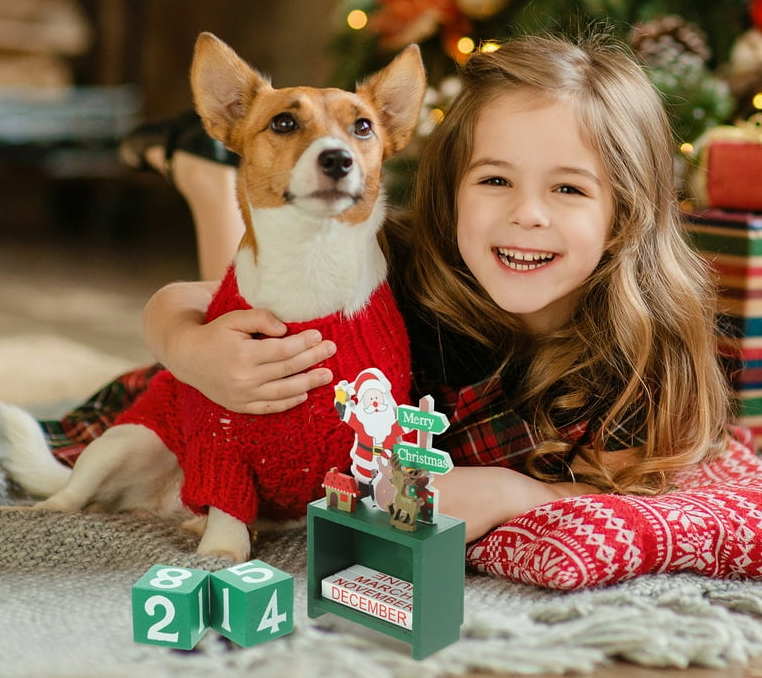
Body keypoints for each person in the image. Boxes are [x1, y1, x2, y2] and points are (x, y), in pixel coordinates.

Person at [40, 29, 731, 544]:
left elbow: (640, 502)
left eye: (569, 188)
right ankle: (210, 181)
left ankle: (205, 175)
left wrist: (519, 492)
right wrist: (191, 353)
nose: (528, 213)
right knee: (266, 289)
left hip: (330, 456)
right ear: (450, 187)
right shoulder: (408, 260)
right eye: (494, 180)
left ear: (625, 215)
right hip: (229, 410)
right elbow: (184, 301)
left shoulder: (641, 364)